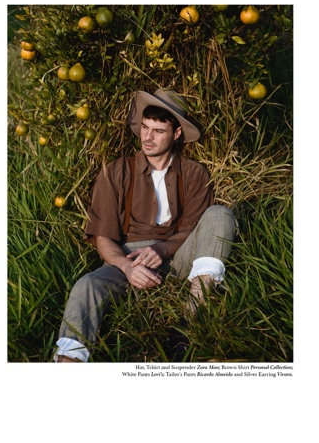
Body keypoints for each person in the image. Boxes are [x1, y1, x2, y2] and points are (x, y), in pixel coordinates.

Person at [54, 88, 236, 363]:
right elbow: (103, 237)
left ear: (176, 134)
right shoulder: (115, 171)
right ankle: (69, 361)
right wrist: (128, 267)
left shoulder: (194, 172)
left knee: (221, 214)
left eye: (158, 131)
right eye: (144, 128)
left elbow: (192, 228)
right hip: (128, 256)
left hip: (179, 254)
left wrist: (163, 249)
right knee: (86, 285)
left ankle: (188, 329)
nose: (147, 138)